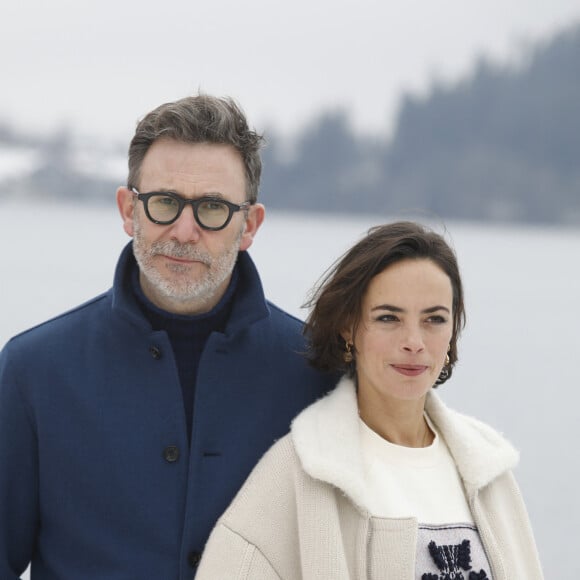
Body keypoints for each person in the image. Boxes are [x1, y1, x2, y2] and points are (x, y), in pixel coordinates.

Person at [0, 95, 336, 579]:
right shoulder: (33, 371)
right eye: (165, 202)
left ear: (250, 225)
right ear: (127, 209)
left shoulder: (317, 371)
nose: (184, 231)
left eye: (213, 208)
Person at [196, 221, 544, 579]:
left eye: (434, 319)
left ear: (453, 329)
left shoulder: (488, 468)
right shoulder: (300, 471)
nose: (414, 341)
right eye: (388, 317)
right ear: (349, 326)